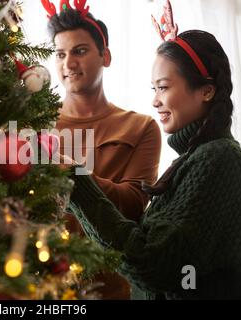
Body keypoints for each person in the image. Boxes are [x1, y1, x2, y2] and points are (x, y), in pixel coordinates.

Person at [66, 0, 241, 299]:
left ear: (206, 90)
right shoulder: (194, 159)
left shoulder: (220, 158)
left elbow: (156, 267)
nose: (155, 101)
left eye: (164, 87)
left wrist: (76, 180)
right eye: (153, 89)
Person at [42, 0, 162, 299]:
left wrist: (75, 173)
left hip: (113, 289)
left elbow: (133, 205)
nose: (68, 64)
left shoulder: (141, 127)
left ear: (105, 56)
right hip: (43, 287)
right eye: (60, 54)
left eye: (79, 51)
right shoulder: (36, 126)